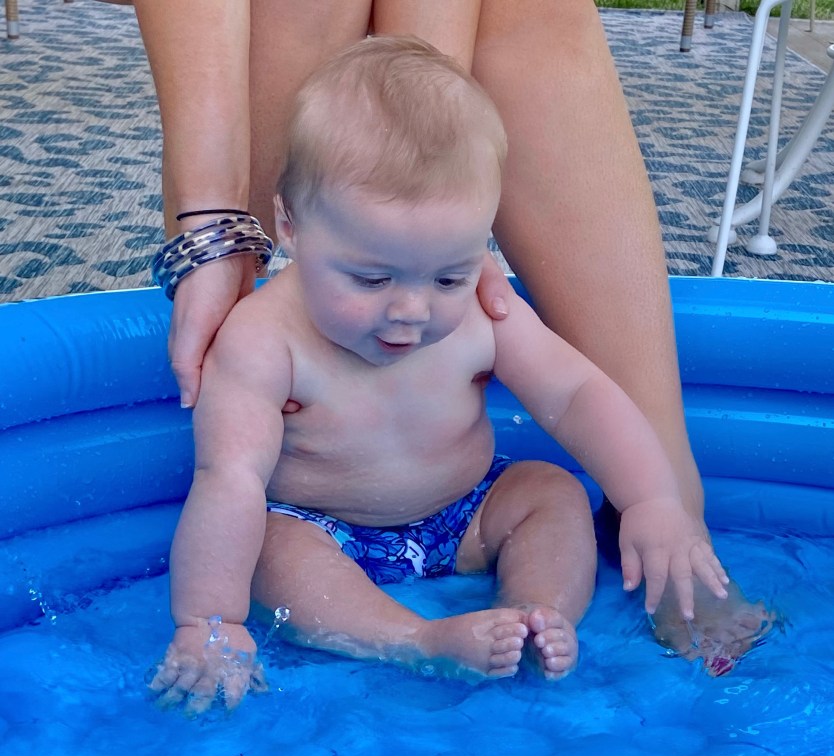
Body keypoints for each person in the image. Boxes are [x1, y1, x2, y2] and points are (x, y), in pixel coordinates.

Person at [130, 0, 774, 675]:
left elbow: (576, 395)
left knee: (551, 494)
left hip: (466, 514)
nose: (410, 310)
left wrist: (652, 498)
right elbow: (229, 481)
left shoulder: (480, 311)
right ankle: (417, 639)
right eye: (371, 278)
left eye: (448, 275)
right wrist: (209, 621)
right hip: (325, 526)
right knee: (271, 549)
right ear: (289, 225)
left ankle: (533, 616)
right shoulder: (264, 339)